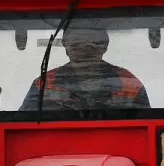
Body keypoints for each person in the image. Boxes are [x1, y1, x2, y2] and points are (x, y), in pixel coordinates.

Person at [19, 25, 150, 112]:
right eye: (77, 43)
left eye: (94, 43)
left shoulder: (129, 85)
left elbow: (148, 125)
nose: (86, 50)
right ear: (66, 46)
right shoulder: (44, 85)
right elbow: (21, 125)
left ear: (105, 46)